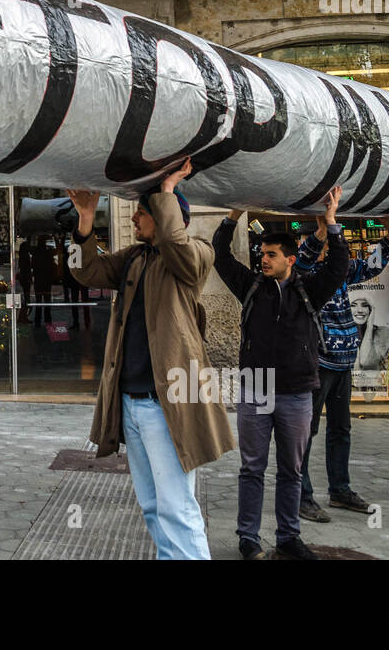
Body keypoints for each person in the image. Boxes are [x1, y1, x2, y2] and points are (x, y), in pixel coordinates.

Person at [65, 157, 234, 560]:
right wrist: (86, 219)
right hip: (131, 404)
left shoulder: (196, 256)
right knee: (153, 505)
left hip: (167, 407)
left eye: (143, 210)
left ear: (168, 216)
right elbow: (84, 272)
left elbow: (178, 246)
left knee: (178, 507)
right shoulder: (136, 260)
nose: (136, 217)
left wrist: (168, 190)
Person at [213, 186, 348, 561]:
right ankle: (248, 538)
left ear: (290, 259)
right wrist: (232, 216)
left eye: (270, 255)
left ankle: (289, 536)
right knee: (252, 469)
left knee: (291, 469)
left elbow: (339, 267)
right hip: (255, 390)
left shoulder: (309, 290)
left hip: (296, 391)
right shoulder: (251, 287)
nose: (263, 260)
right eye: (261, 254)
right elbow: (220, 257)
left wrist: (332, 223)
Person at [292, 215, 389, 523]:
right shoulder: (303, 276)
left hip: (343, 365)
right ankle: (302, 495)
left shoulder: (339, 272)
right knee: (306, 432)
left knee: (341, 429)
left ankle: (340, 489)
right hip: (318, 365)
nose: (320, 249)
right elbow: (303, 261)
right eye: (314, 243)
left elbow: (371, 266)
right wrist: (322, 232)